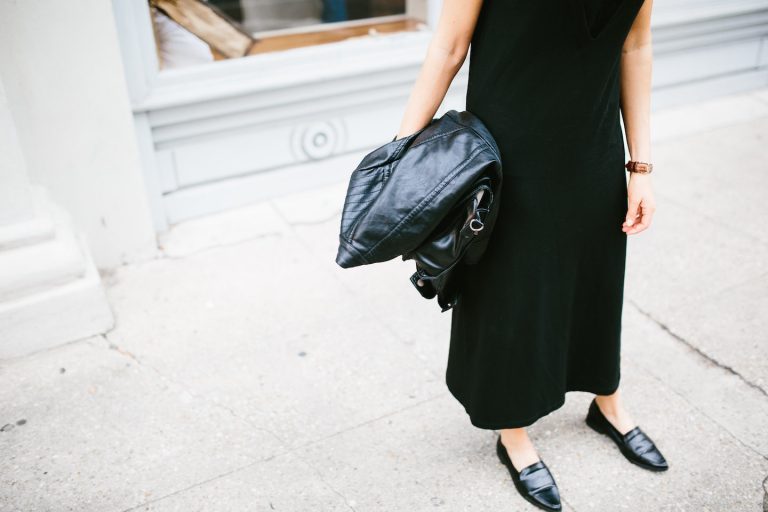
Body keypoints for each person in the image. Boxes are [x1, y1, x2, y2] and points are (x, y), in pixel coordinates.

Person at [394, 1, 665, 510]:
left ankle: (607, 401)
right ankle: (512, 434)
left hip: (594, 150)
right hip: (508, 154)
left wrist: (641, 167)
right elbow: (449, 47)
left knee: (596, 282)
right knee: (510, 295)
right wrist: (400, 154)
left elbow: (635, 44)